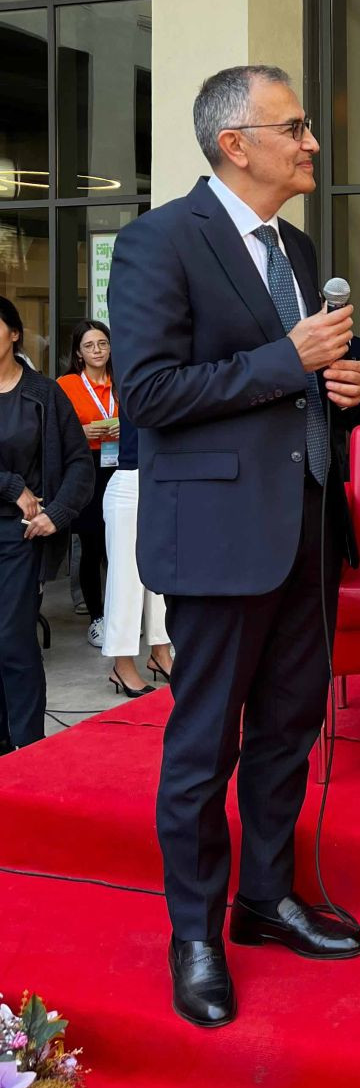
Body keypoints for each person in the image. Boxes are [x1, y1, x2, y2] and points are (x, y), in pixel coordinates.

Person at [108, 64, 360, 1031]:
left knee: (289, 730)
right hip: (218, 540)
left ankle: (265, 898)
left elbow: (292, 385)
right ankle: (194, 934)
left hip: (304, 530)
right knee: (204, 744)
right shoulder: (157, 241)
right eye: (293, 127)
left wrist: (336, 390)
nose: (310, 141)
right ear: (236, 143)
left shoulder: (297, 248)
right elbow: (147, 394)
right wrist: (286, 363)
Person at [0, 298, 93, 753]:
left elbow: (79, 463)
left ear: (15, 334)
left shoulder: (44, 394)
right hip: (11, 505)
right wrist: (11, 484)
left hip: (19, 534)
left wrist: (56, 513)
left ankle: (29, 748)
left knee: (13, 639)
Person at [57, 320, 118, 649]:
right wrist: (82, 434)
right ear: (78, 354)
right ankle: (97, 616)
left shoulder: (121, 381)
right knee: (93, 544)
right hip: (85, 468)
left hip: (120, 466)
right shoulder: (66, 385)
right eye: (89, 346)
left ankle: (119, 613)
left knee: (119, 545)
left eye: (103, 344)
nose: (97, 351)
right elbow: (53, 431)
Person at [100, 412, 171, 698]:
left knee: (163, 577)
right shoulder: (138, 373)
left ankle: (161, 654)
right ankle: (122, 665)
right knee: (126, 580)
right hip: (132, 479)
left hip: (165, 475)